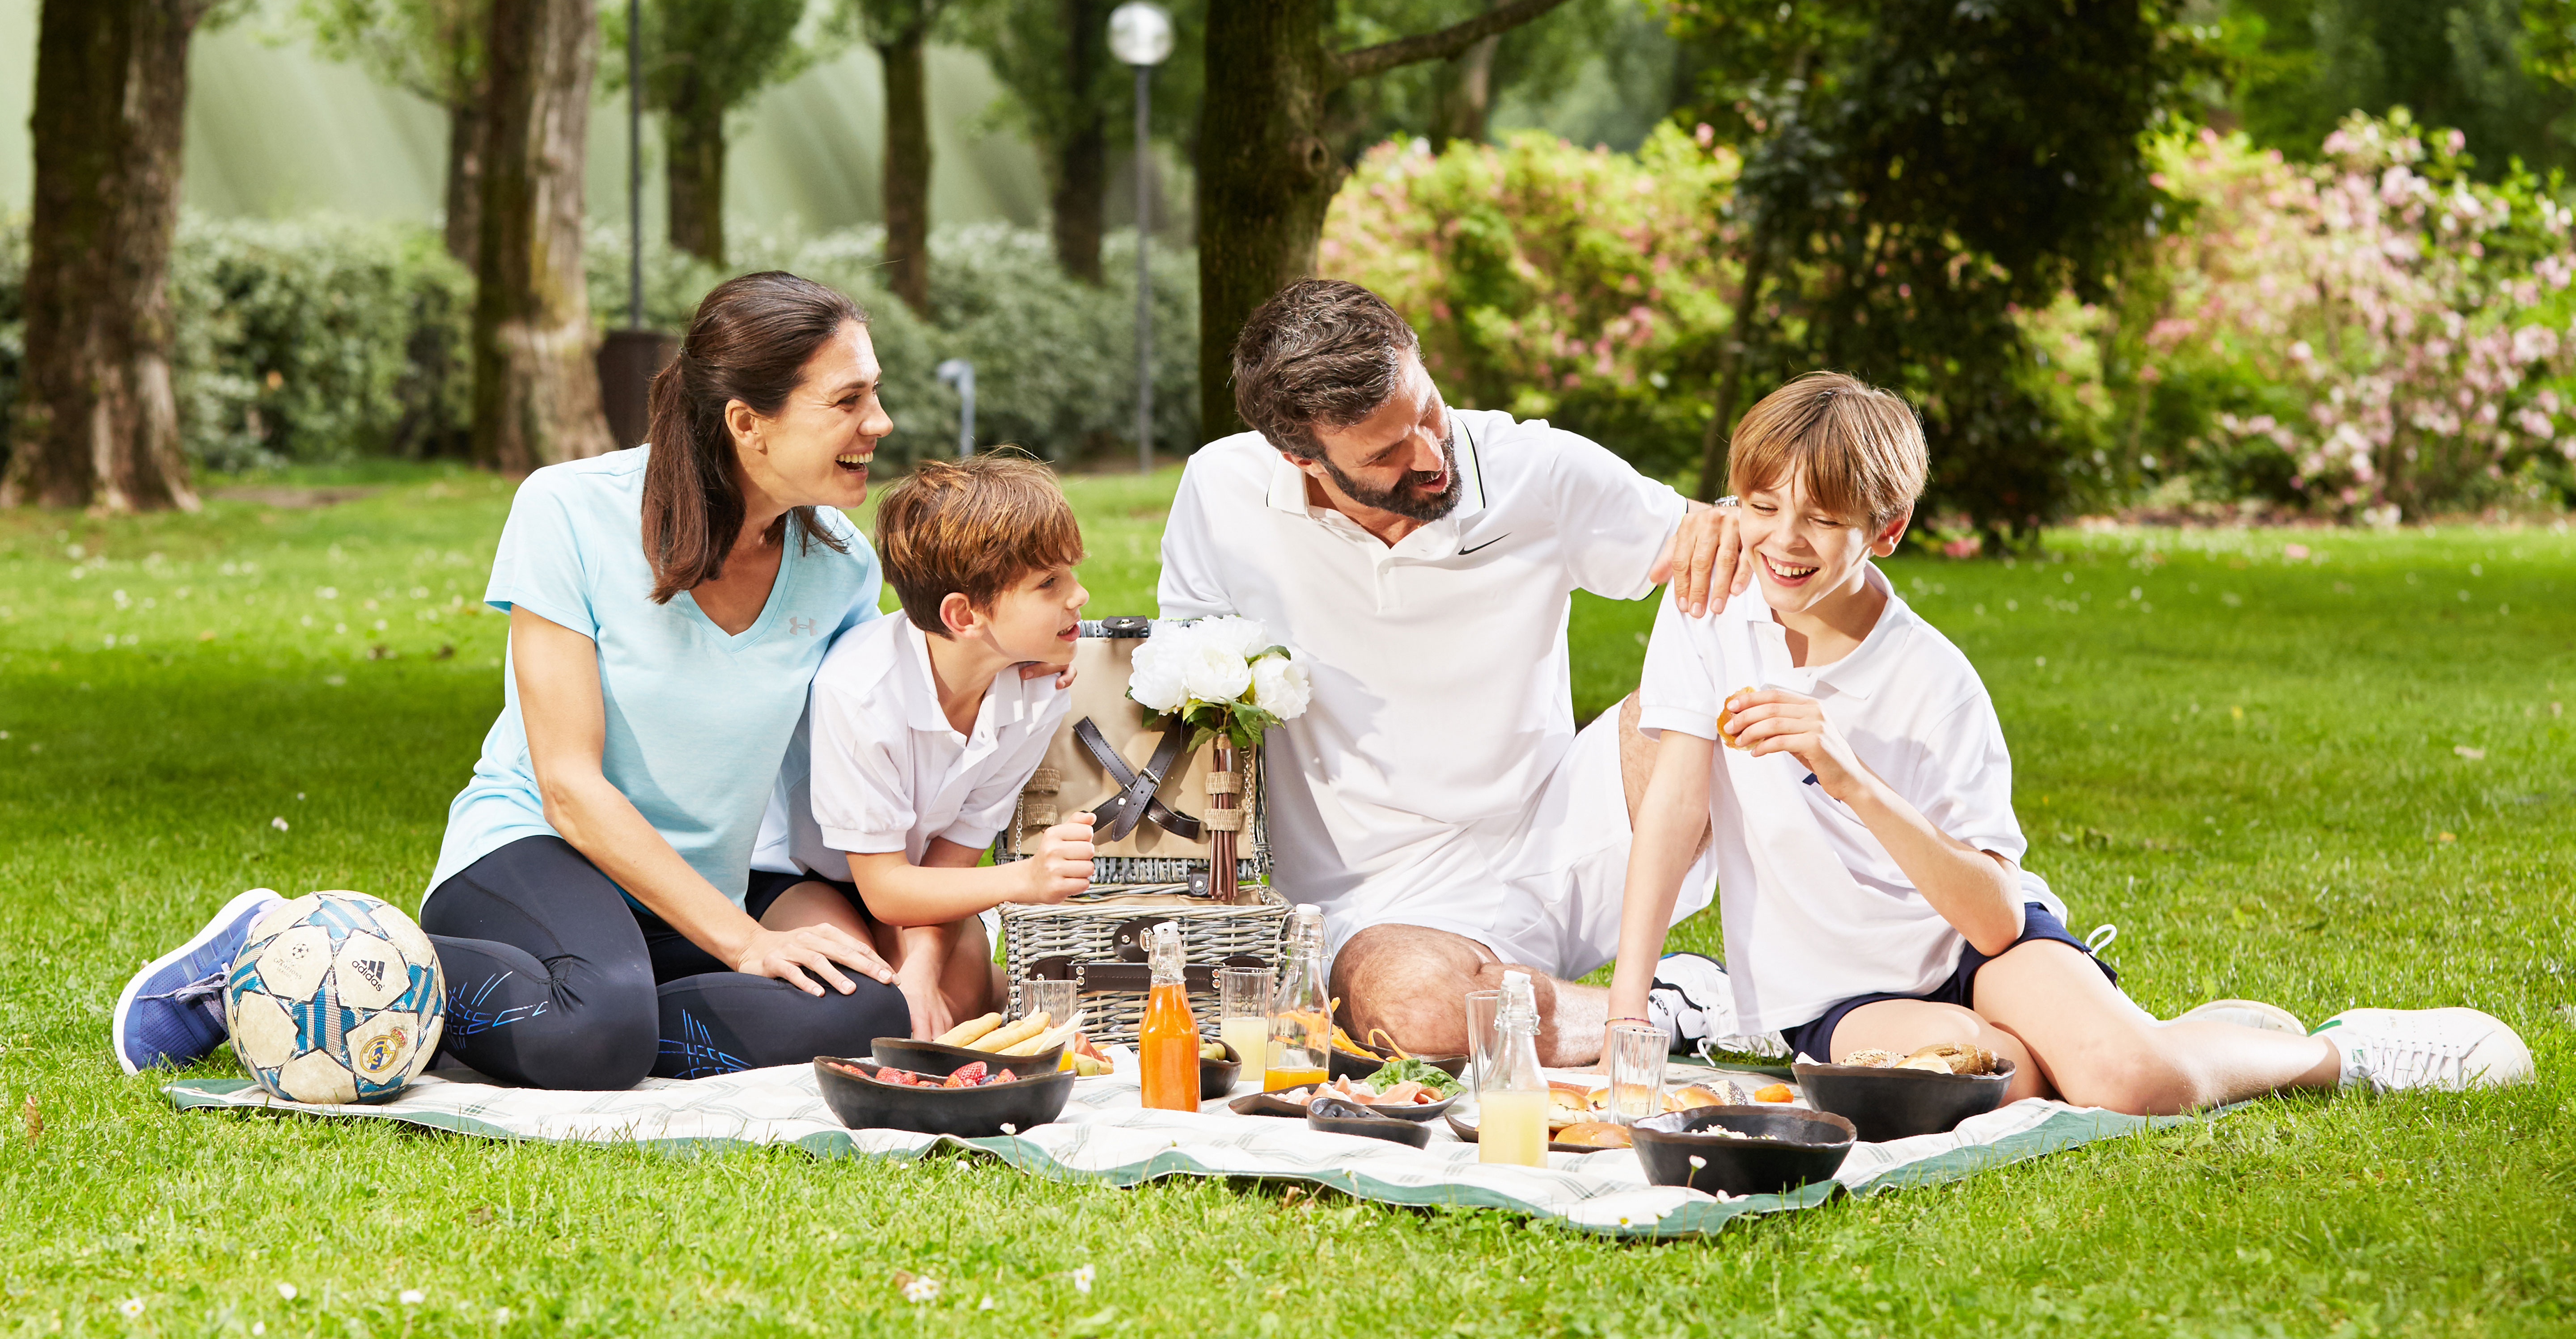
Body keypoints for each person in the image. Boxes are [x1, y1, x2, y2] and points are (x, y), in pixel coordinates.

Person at [1606, 372, 2534, 1108]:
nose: (1781, 540)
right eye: (1761, 506)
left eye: (1822, 518)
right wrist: (1625, 1014)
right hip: (1835, 996)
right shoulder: (1709, 614)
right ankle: (2150, 1030)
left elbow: (1994, 920)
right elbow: (1675, 809)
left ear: (1885, 531)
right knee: (2001, 1077)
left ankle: (2336, 1050)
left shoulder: (1935, 680)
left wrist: (1845, 774)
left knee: (2137, 1087)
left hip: (1985, 950)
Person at [113, 272, 916, 1088]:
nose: (879, 424)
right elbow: (567, 785)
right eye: (849, 401)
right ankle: (296, 949)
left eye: (875, 394)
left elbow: (845, 789)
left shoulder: (843, 568)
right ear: (748, 423)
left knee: (869, 1010)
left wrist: (900, 937)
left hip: (690, 901)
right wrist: (745, 946)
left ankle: (589, 1013)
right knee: (600, 1028)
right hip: (535, 851)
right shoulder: (570, 510)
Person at [1158, 278, 1755, 1068]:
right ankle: (1682, 1007)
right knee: (1416, 1014)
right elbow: (1189, 706)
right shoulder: (1220, 492)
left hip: (1564, 827)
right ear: (1300, 455)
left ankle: (1816, 977)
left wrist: (1732, 519)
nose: (1433, 456)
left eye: (1429, 413)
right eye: (1386, 452)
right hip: (1380, 899)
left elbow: (1715, 548)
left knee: (1722, 708)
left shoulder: (1535, 469)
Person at [746, 454, 1101, 1039]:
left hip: (919, 886)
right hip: (806, 878)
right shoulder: (860, 694)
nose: (1080, 596)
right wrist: (1027, 880)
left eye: (1070, 573)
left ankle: (970, 986)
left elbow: (950, 860)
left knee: (941, 1005)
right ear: (963, 615)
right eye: (1049, 584)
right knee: (858, 1010)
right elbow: (884, 890)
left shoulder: (1037, 692)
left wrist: (922, 969)